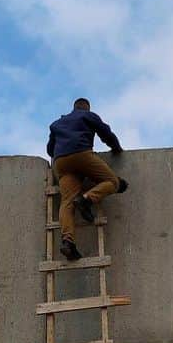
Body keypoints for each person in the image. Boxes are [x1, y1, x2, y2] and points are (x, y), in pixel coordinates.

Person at [47, 98, 128, 260]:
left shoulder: (57, 123)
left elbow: (50, 149)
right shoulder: (87, 116)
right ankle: (86, 199)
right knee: (113, 182)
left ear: (73, 108)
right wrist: (116, 148)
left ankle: (68, 243)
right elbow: (106, 133)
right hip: (81, 153)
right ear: (86, 108)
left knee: (67, 201)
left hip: (60, 162)